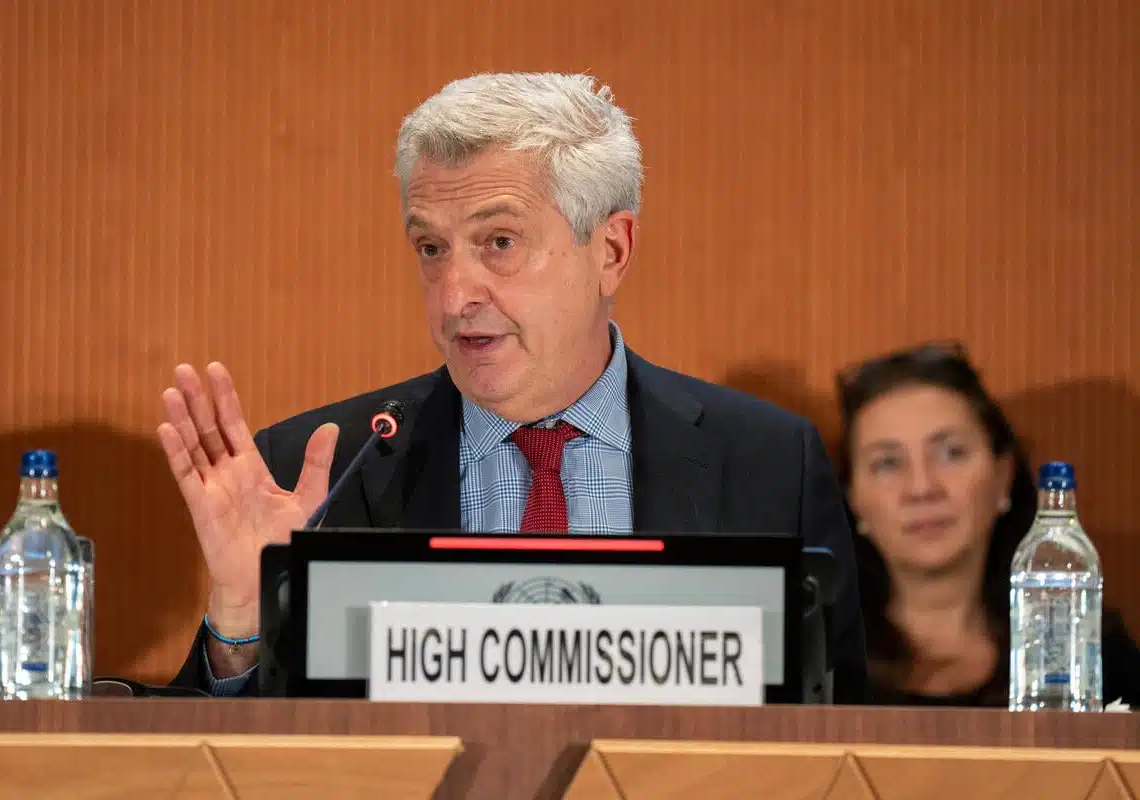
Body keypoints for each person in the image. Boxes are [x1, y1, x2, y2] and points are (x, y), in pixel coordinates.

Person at [158, 72, 866, 701]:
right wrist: (243, 624)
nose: (455, 294)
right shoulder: (322, 471)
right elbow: (233, 769)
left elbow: (836, 749)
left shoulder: (770, 464)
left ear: (612, 251)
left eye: (499, 242)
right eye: (431, 249)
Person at [836, 341, 1140, 707]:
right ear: (853, 498)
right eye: (887, 463)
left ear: (1002, 476)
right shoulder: (812, 661)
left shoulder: (1086, 650)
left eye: (952, 453)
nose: (921, 488)